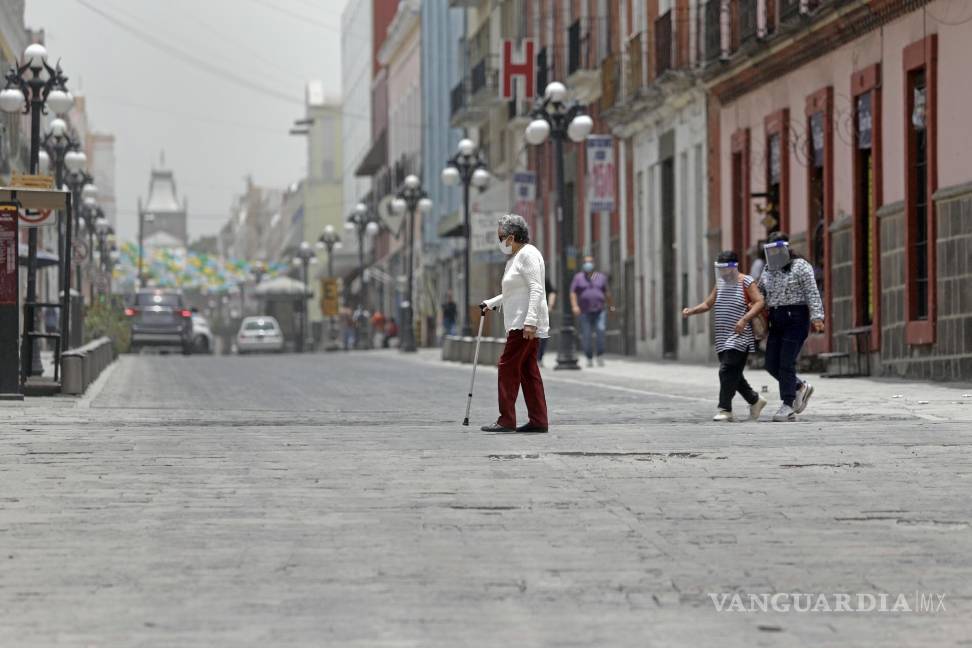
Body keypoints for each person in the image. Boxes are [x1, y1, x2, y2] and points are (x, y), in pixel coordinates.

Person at [479, 213, 549, 433]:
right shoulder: (514, 259)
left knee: (507, 367)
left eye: (502, 237)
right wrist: (491, 303)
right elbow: (512, 293)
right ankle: (539, 420)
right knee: (528, 371)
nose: (501, 242)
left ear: (512, 236)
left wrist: (530, 322)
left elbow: (536, 288)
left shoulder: (528, 254)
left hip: (524, 324)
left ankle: (506, 419)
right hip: (519, 323)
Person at [683, 251, 767, 422]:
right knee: (733, 373)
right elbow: (708, 303)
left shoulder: (746, 281)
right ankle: (755, 400)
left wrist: (744, 319)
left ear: (734, 267)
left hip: (740, 335)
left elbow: (759, 302)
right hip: (722, 336)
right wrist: (692, 311)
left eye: (726, 269)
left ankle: (725, 409)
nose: (723, 272)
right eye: (720, 269)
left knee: (726, 370)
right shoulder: (720, 283)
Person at [758, 232, 825, 422]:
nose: (775, 253)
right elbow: (760, 293)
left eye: (778, 249)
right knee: (771, 363)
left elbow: (812, 291)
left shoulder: (801, 266)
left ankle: (788, 405)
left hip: (796, 317)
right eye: (770, 250)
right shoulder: (767, 270)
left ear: (786, 248)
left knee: (786, 362)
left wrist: (817, 316)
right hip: (776, 318)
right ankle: (798, 387)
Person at [570, 255, 613, 367]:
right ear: (583, 264)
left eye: (590, 262)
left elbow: (607, 293)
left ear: (594, 264)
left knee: (601, 330)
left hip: (600, 310)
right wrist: (575, 306)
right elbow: (573, 292)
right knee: (586, 335)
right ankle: (589, 357)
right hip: (585, 312)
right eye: (585, 262)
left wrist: (611, 307)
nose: (588, 264)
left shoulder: (601, 277)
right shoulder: (578, 277)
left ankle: (600, 355)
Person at [536, 277, 557, 367]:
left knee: (543, 336)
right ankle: (534, 358)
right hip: (530, 311)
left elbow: (552, 292)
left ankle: (539, 358)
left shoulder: (543, 278)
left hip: (544, 312)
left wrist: (550, 305)